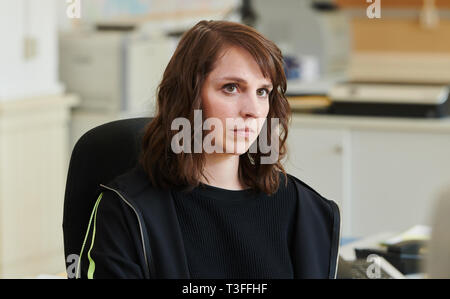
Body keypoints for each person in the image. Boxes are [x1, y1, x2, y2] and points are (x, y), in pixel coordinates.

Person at [77, 20, 340, 279]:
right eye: (231, 88)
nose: (252, 109)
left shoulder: (305, 210)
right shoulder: (127, 210)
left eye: (263, 91)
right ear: (187, 97)